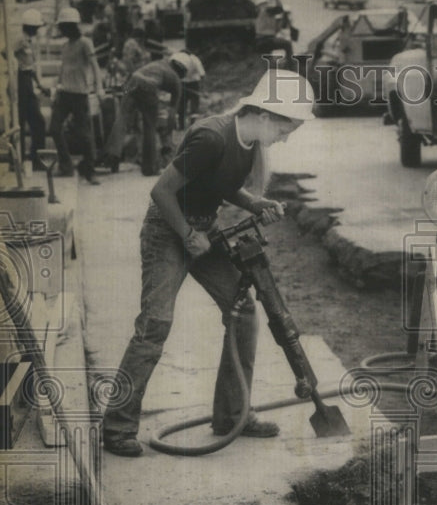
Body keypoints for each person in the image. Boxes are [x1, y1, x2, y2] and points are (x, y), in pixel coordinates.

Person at [102, 70, 315, 456]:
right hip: (168, 231)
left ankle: (232, 415)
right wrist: (186, 235)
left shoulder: (247, 142)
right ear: (265, 115)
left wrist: (255, 203)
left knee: (244, 312)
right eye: (286, 129)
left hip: (203, 230)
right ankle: (117, 426)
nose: (285, 138)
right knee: (155, 324)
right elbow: (161, 190)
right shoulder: (211, 136)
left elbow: (220, 184)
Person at [104, 55, 185, 176]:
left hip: (133, 80)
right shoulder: (177, 80)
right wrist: (168, 131)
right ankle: (149, 168)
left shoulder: (159, 62)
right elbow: (172, 114)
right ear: (183, 72)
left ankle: (112, 156)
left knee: (122, 118)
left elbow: (136, 76)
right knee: (150, 126)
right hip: (149, 87)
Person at [49, 6, 104, 184]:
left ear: (72, 26)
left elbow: (95, 66)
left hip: (80, 94)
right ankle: (66, 165)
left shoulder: (85, 43)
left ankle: (90, 170)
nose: (62, 30)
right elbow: (63, 69)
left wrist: (99, 87)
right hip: (64, 93)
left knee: (85, 134)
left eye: (64, 27)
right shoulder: (65, 46)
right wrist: (57, 87)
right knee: (55, 128)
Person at [13, 8, 49, 170]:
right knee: (19, 121)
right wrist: (16, 67)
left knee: (38, 122)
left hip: (28, 81)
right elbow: (5, 52)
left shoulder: (31, 42)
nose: (37, 30)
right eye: (36, 27)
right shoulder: (20, 40)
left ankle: (36, 159)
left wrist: (40, 85)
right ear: (30, 27)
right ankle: (16, 160)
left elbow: (32, 67)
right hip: (20, 80)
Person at [170, 49, 206, 130]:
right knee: (181, 105)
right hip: (182, 84)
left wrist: (202, 89)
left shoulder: (195, 59)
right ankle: (181, 126)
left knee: (194, 106)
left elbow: (202, 74)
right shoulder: (176, 58)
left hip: (194, 83)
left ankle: (193, 126)